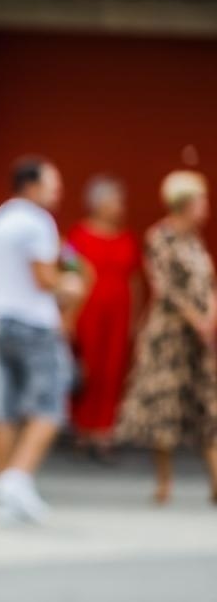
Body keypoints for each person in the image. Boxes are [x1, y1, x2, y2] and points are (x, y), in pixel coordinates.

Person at [114, 170, 217, 503]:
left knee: (208, 404)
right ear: (185, 203)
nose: (206, 206)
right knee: (165, 406)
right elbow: (165, 287)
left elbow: (208, 283)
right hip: (171, 335)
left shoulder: (194, 240)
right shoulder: (160, 237)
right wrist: (196, 320)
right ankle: (164, 483)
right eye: (201, 199)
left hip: (202, 338)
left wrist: (211, 316)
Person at [0, 157, 67, 523]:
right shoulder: (37, 222)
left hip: (0, 320)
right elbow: (44, 278)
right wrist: (70, 286)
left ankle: (6, 489)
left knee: (4, 408)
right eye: (52, 183)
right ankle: (18, 476)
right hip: (34, 323)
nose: (58, 191)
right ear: (31, 185)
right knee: (48, 406)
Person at [66, 175, 141, 459]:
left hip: (118, 313)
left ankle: (104, 431)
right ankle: (82, 430)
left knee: (112, 370)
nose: (120, 207)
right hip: (87, 311)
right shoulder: (78, 235)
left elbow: (133, 280)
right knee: (88, 368)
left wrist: (134, 315)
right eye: (114, 201)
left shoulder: (126, 238)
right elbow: (69, 271)